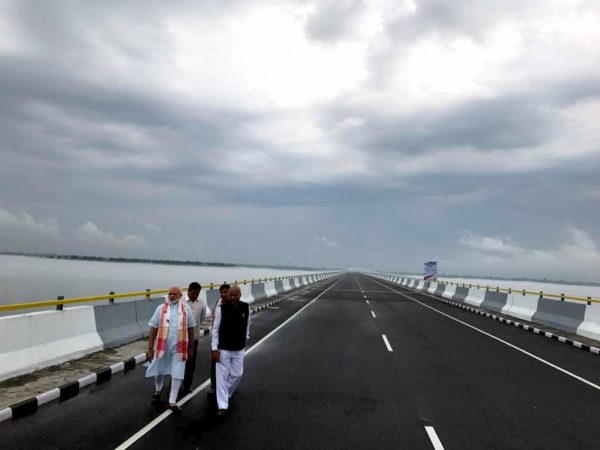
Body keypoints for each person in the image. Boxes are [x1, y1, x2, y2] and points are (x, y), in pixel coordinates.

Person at [146, 286, 196, 414]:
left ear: (180, 296)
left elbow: (191, 329)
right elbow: (153, 329)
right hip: (163, 347)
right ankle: (158, 389)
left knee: (178, 373)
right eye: (170, 294)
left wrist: (191, 347)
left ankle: (172, 401)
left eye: (174, 294)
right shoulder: (160, 309)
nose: (172, 296)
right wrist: (150, 348)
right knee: (158, 371)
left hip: (180, 348)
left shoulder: (186, 309)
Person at [211, 284, 250, 416]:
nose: (233, 297)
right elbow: (215, 329)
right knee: (221, 377)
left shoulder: (245, 307)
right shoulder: (221, 308)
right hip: (224, 349)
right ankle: (222, 405)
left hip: (239, 348)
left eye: (236, 295)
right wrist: (214, 348)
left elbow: (247, 325)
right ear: (228, 295)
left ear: (240, 295)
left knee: (237, 374)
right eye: (231, 295)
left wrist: (246, 340)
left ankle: (225, 393)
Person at [181, 281, 207, 396]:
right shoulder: (181, 302)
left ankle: (188, 385)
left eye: (196, 294)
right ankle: (174, 384)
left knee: (191, 363)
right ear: (188, 291)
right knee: (178, 362)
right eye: (192, 293)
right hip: (180, 338)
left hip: (193, 339)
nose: (194, 295)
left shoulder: (201, 303)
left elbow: (202, 318)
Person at [208, 284, 230, 396]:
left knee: (227, 364)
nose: (223, 294)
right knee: (215, 363)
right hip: (217, 339)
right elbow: (213, 320)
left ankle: (227, 385)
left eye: (226, 292)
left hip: (230, 340)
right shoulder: (217, 304)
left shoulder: (234, 304)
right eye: (222, 292)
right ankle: (214, 386)